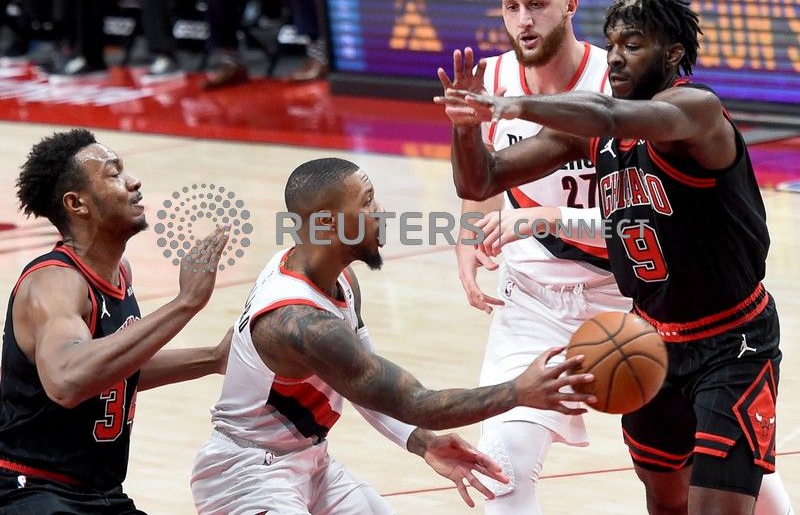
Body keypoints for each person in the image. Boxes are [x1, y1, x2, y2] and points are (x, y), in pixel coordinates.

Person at [438, 0, 792, 515]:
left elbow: (608, 113)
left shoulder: (695, 110)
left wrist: (512, 104)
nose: (618, 57)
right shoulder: (593, 135)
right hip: (649, 337)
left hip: (732, 341)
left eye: (633, 45)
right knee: (665, 502)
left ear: (672, 54)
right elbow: (481, 179)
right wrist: (467, 127)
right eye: (613, 44)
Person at [190, 157, 598, 515]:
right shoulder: (301, 322)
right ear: (328, 224)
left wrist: (422, 443)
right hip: (245, 474)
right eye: (367, 202)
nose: (381, 212)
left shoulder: (333, 277)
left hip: (309, 461)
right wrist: (517, 392)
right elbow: (414, 401)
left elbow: (365, 382)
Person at [446, 0, 632, 515]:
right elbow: (483, 176)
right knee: (501, 467)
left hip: (627, 294)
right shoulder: (491, 78)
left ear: (569, 6)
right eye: (512, 7)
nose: (523, 20)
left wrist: (541, 217)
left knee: (709, 460)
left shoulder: (615, 84)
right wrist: (470, 232)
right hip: (532, 298)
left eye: (537, 4)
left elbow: (642, 222)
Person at [0, 128, 231, 513]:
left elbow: (115, 370)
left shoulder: (119, 273)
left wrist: (215, 358)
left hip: (101, 494)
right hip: (31, 491)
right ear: (77, 203)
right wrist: (185, 303)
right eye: (114, 173)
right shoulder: (54, 283)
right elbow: (67, 381)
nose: (134, 181)